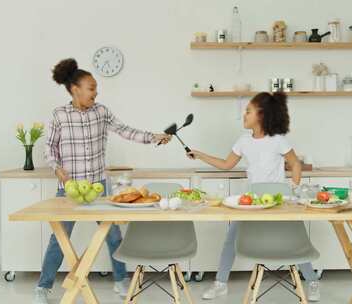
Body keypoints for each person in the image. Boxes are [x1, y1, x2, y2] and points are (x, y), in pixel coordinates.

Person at [33, 58, 171, 304]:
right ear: (75, 89)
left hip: (98, 186)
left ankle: (120, 280)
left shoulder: (101, 112)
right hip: (69, 189)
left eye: (96, 88)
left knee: (113, 234)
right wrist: (57, 169)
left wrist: (154, 137)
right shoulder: (59, 115)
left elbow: (125, 130)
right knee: (60, 238)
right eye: (91, 87)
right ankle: (42, 288)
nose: (96, 93)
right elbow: (49, 149)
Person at [187, 92, 321, 302]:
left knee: (294, 239)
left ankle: (312, 281)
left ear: (261, 114)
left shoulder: (278, 140)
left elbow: (295, 164)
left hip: (278, 200)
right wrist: (200, 154)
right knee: (231, 239)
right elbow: (226, 164)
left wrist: (294, 187)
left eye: (248, 111)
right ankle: (220, 284)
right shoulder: (243, 141)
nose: (244, 115)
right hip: (252, 199)